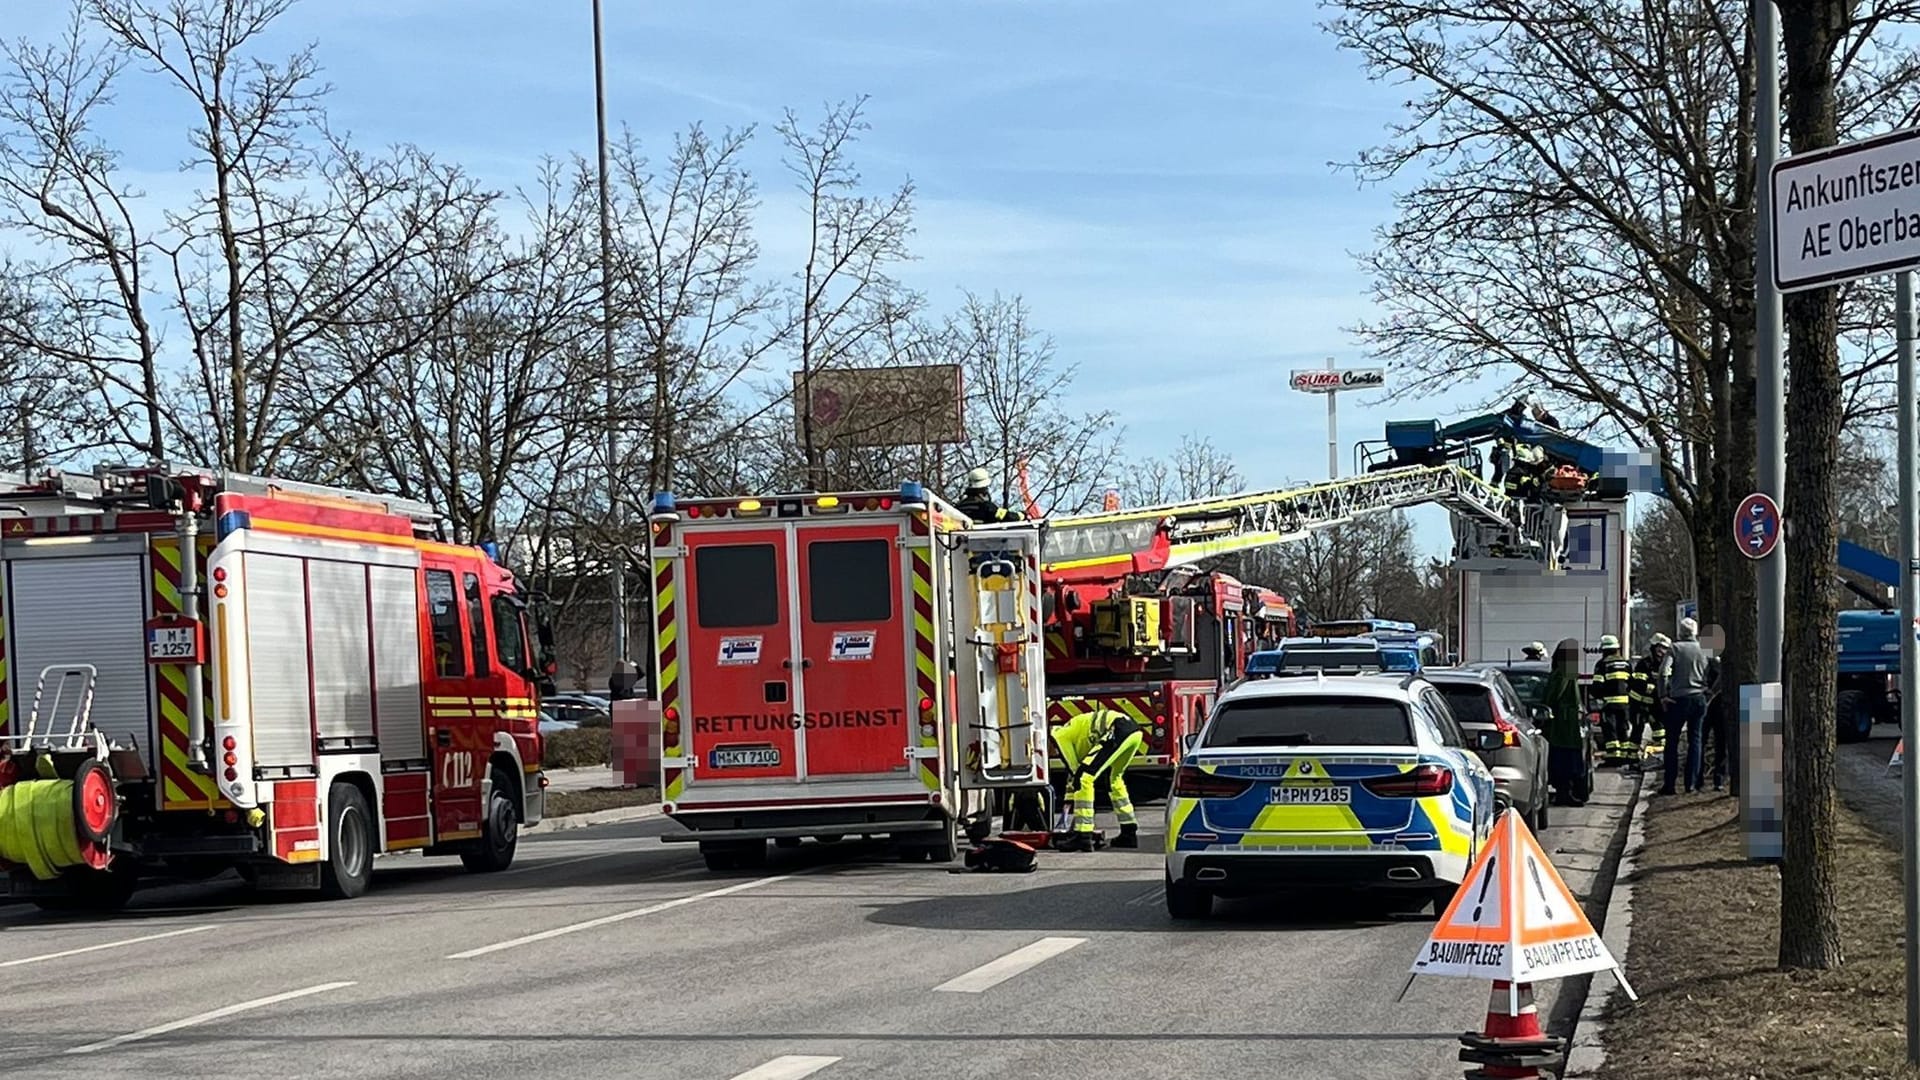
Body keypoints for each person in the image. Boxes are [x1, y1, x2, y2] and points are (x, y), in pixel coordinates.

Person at [1050, 707, 1145, 851]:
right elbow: (1074, 773)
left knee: (1084, 778)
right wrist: (1070, 794)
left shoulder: (1059, 736)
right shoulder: (1074, 734)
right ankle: (1129, 833)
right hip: (1133, 732)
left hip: (1116, 729)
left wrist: (1070, 798)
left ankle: (1083, 835)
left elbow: (1076, 774)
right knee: (1113, 779)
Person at [1659, 617, 1712, 795]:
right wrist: (1710, 689)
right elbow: (1718, 667)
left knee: (1671, 742)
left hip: (1678, 700)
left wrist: (1663, 695)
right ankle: (1691, 784)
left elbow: (1664, 671)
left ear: (1680, 632)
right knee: (1695, 741)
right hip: (1698, 698)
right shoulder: (1705, 648)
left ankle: (1670, 784)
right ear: (1695, 632)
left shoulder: (1675, 648)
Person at [1542, 638, 1589, 807]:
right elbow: (1553, 696)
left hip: (1568, 725)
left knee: (1569, 760)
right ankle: (1564, 793)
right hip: (1563, 725)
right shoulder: (1563, 672)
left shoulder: (1565, 671)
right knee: (1565, 759)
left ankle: (1566, 792)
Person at [1627, 635, 1669, 773]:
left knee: (1660, 732)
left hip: (1656, 706)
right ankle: (1633, 761)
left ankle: (1659, 758)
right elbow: (1639, 685)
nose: (1662, 652)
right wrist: (1656, 688)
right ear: (1654, 648)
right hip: (1640, 704)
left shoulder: (1667, 664)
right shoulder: (1644, 664)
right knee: (1637, 731)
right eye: (1660, 648)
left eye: (1665, 649)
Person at [1592, 635, 1634, 763]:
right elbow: (1632, 683)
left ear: (1604, 650)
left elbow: (1597, 686)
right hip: (1625, 704)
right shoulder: (1626, 664)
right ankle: (1625, 755)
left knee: (1610, 729)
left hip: (1609, 704)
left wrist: (1597, 697)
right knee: (1623, 728)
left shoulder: (1602, 664)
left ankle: (1614, 756)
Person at [954, 467, 1019, 524]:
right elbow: (1008, 517)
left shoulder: (958, 507)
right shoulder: (988, 508)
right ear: (984, 490)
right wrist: (1022, 515)